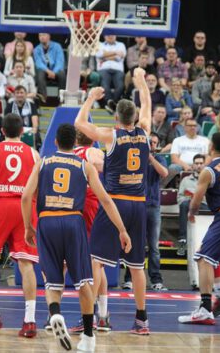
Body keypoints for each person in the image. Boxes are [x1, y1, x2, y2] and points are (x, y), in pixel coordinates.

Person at [21, 123, 131, 352]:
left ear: (55, 142)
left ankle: (55, 315)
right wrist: (122, 229)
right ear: (75, 143)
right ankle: (89, 337)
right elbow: (106, 200)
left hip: (46, 221)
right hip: (73, 220)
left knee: (52, 279)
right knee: (84, 282)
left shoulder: (42, 163)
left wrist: (28, 228)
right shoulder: (85, 165)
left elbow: (25, 197)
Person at [75, 67, 152, 335]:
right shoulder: (145, 132)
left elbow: (80, 125)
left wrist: (90, 98)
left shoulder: (111, 136)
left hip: (114, 204)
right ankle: (142, 320)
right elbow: (147, 105)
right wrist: (141, 81)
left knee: (96, 261)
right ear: (135, 117)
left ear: (117, 117)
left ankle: (90, 318)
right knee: (136, 266)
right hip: (139, 204)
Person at [0, 114, 40, 337]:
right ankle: (30, 320)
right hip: (25, 207)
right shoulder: (33, 153)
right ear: (23, 132)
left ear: (2, 131)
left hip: (0, 206)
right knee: (26, 263)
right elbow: (37, 188)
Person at [178, 132, 220, 325]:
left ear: (211, 147)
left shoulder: (210, 169)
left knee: (203, 258)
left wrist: (191, 212)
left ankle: (206, 308)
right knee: (215, 257)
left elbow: (197, 198)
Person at [70, 130, 110, 332]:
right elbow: (108, 169)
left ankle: (91, 315)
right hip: (92, 201)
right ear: (93, 139)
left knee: (93, 260)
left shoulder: (71, 153)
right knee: (97, 261)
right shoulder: (94, 153)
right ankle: (102, 315)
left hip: (78, 202)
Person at [122, 132, 168, 291]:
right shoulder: (136, 157)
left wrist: (150, 158)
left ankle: (156, 280)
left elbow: (164, 173)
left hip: (153, 206)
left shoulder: (159, 159)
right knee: (134, 244)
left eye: (155, 143)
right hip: (137, 205)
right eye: (150, 142)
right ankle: (129, 279)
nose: (152, 145)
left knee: (154, 246)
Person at [176, 154, 208, 257]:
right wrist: (191, 199)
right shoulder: (186, 180)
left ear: (204, 165)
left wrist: (199, 198)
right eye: (196, 163)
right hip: (189, 205)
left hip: (204, 206)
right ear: (193, 165)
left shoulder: (209, 179)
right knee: (184, 204)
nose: (199, 165)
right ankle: (182, 240)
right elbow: (180, 197)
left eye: (201, 163)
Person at [95, 35, 126, 112]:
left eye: (112, 34)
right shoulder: (99, 44)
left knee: (120, 86)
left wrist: (104, 56)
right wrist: (115, 52)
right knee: (105, 87)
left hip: (118, 70)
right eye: (108, 34)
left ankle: (110, 105)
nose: (110, 36)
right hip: (103, 69)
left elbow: (120, 56)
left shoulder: (121, 44)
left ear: (116, 36)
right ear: (104, 36)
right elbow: (98, 55)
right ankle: (112, 105)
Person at [33, 33, 66, 99]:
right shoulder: (36, 49)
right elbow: (38, 63)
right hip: (44, 71)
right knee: (40, 73)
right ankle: (43, 97)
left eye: (44, 35)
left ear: (49, 36)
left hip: (56, 71)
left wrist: (53, 72)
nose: (42, 37)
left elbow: (60, 62)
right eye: (40, 35)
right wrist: (48, 71)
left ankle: (61, 98)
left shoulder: (57, 46)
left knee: (62, 73)